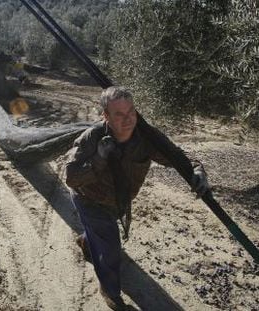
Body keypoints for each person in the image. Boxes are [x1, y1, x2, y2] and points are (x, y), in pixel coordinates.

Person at [65, 86, 209, 311]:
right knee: (111, 248)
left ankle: (87, 240)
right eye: (119, 114)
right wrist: (99, 158)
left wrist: (195, 168)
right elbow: (71, 177)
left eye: (131, 111)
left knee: (100, 236)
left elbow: (175, 154)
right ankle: (111, 293)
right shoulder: (92, 137)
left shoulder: (147, 137)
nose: (128, 119)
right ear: (106, 116)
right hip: (89, 199)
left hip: (118, 202)